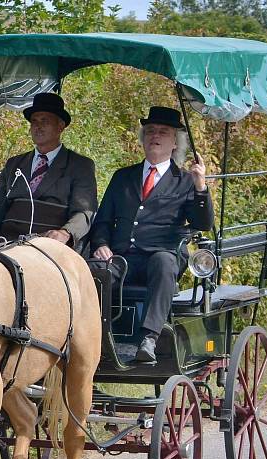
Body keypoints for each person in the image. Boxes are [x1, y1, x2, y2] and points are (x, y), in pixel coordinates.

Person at [90, 106, 214, 363]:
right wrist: (101, 244)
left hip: (161, 256)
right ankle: (94, 337)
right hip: (121, 258)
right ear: (143, 138)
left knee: (163, 261)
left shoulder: (185, 180)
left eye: (163, 132)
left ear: (174, 143)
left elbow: (203, 223)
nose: (154, 136)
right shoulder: (123, 177)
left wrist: (201, 186)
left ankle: (149, 338)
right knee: (94, 269)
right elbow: (102, 220)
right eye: (150, 131)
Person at [0, 92, 97, 247]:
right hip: (7, 242)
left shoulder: (79, 165)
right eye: (34, 121)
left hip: (49, 245)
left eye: (44, 121)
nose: (38, 126)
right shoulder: (14, 164)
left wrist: (65, 233)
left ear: (60, 126)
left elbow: (84, 212)